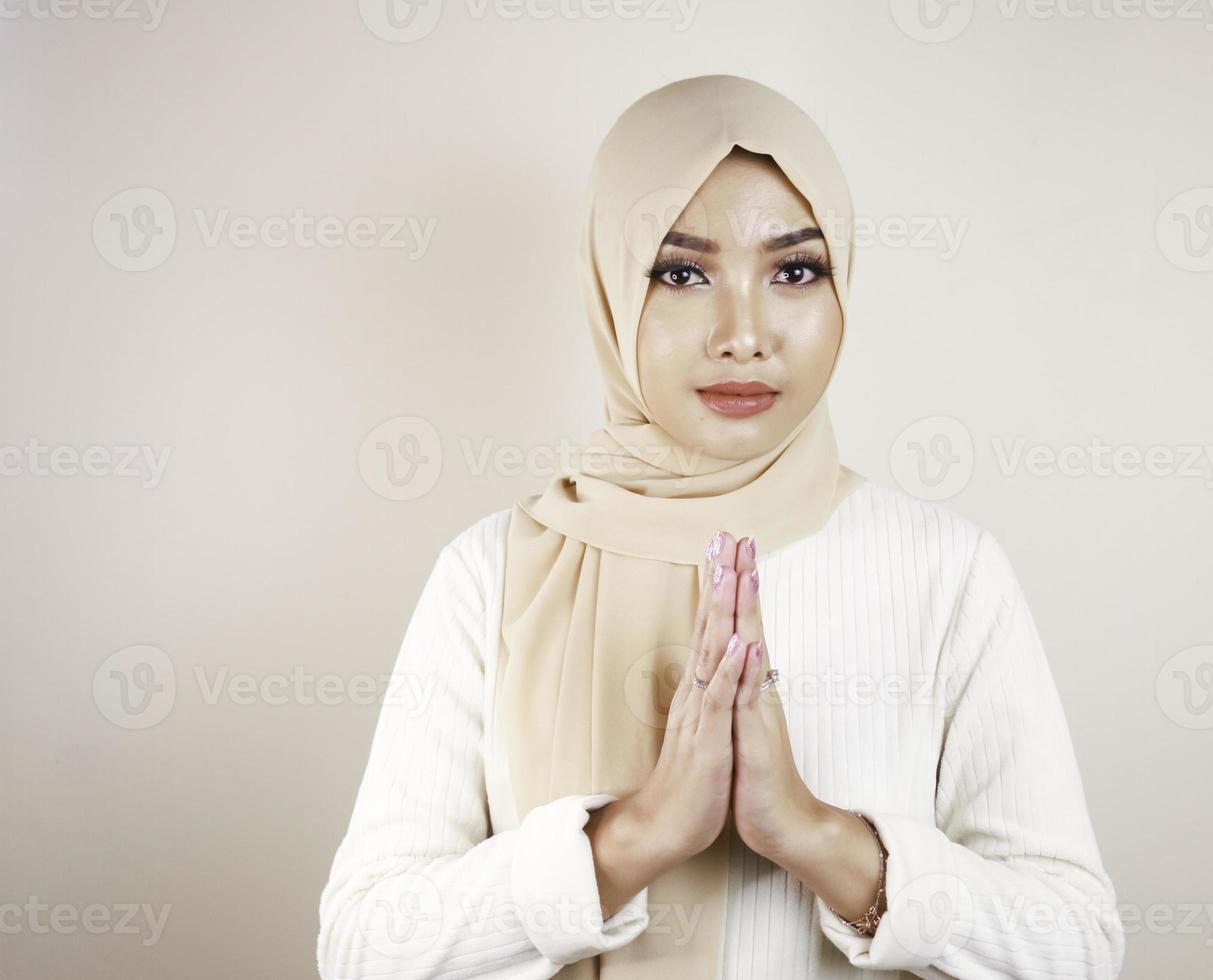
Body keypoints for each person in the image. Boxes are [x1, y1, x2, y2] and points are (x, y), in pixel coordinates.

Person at [317, 73, 1125, 980]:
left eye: (793, 270)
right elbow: (361, 949)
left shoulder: (945, 572)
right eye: (681, 271)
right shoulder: (494, 574)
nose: (744, 334)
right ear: (610, 289)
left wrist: (823, 840)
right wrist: (633, 839)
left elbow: (1078, 947)